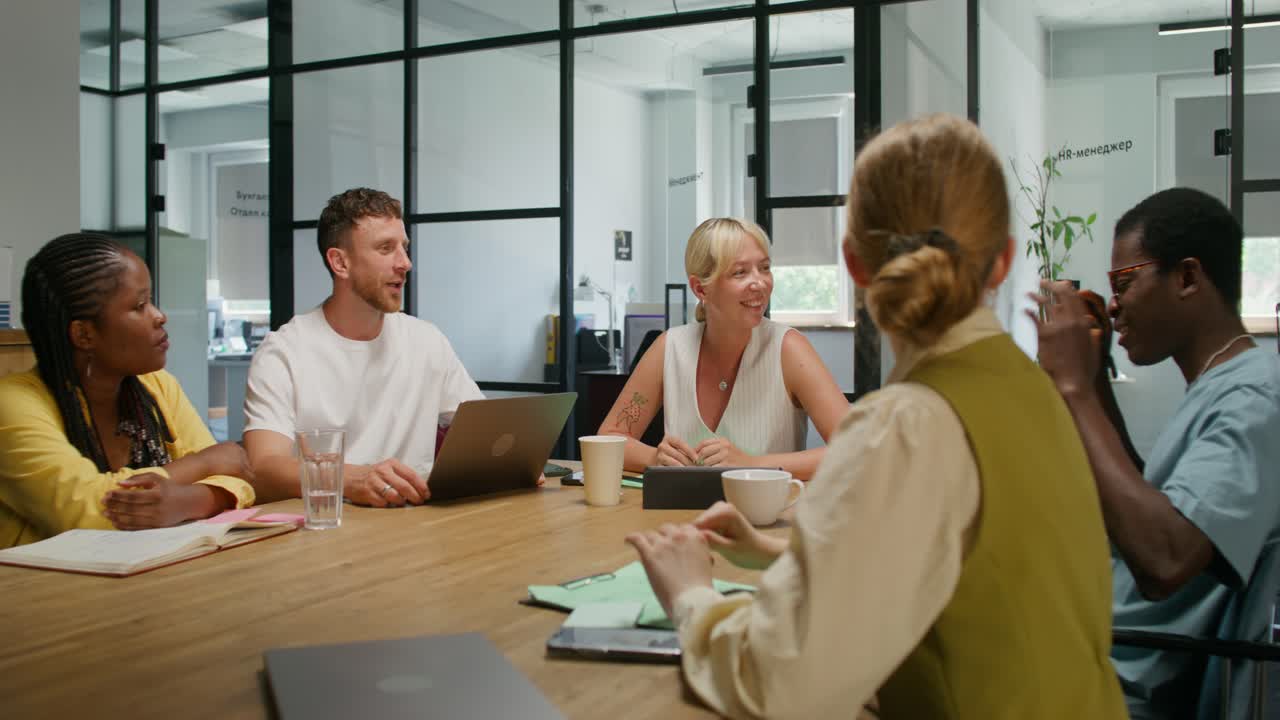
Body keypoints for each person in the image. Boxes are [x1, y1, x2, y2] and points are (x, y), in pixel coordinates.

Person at [624, 114, 1127, 719]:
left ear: (855, 266)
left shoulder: (904, 425)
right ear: (1003, 261)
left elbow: (778, 683)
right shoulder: (1039, 392)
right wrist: (777, 551)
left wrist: (689, 594)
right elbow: (957, 562)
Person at [1033, 187, 1280, 719]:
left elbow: (1165, 559)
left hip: (1125, 691)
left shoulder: (1256, 398)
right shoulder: (1223, 387)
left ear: (1188, 277)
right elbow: (1153, 504)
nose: (1115, 306)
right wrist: (1095, 381)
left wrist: (1073, 391)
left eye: (1125, 282)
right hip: (1105, 659)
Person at [0, 234, 255, 548]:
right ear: (84, 334)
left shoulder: (157, 387)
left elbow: (238, 475)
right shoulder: (13, 403)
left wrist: (187, 501)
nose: (160, 316)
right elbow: (87, 511)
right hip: (43, 590)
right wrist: (201, 465)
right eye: (139, 305)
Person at [243, 188, 485, 507]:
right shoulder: (284, 352)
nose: (406, 263)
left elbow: (482, 430)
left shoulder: (426, 340)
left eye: (404, 248)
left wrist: (512, 464)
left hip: (419, 524)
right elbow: (264, 467)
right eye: (386, 248)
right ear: (340, 262)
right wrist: (353, 479)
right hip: (329, 530)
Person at [598, 217, 848, 480]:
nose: (759, 283)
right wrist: (655, 458)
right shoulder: (669, 348)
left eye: (764, 268)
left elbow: (857, 449)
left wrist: (752, 464)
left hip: (765, 518)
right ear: (700, 288)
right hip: (681, 518)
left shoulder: (789, 349)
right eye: (740, 272)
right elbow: (609, 438)